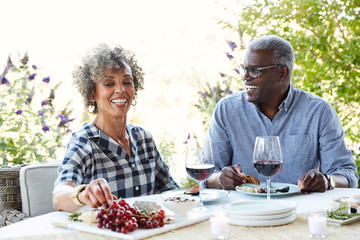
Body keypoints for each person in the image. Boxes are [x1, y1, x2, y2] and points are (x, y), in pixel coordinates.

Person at [205, 35, 358, 192]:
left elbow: (347, 175)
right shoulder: (226, 110)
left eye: (254, 71)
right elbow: (207, 175)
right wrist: (220, 179)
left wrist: (327, 181)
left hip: (301, 209)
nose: (244, 77)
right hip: (242, 212)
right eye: (245, 69)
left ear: (282, 73)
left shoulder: (319, 112)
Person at [53, 44, 178, 212]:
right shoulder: (85, 142)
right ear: (92, 93)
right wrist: (83, 194)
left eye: (127, 82)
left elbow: (171, 192)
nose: (121, 90)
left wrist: (209, 184)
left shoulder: (144, 139)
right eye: (109, 83)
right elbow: (60, 196)